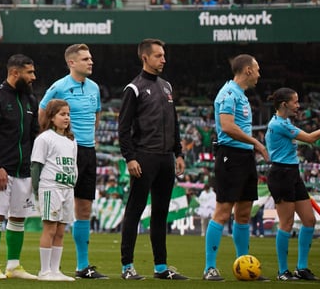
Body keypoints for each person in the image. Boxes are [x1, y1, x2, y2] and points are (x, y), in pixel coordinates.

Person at [117, 38, 187, 281]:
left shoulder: (167, 86)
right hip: (144, 157)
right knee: (134, 211)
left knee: (160, 213)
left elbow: (174, 122)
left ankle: (161, 267)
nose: (163, 59)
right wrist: (130, 158)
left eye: (164, 55)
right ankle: (127, 266)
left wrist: (178, 153)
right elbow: (123, 128)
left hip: (166, 158)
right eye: (158, 55)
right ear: (145, 57)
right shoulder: (133, 89)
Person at [39, 44, 106, 279]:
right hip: (67, 153)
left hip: (88, 151)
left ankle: (82, 265)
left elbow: (97, 113)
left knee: (84, 208)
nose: (91, 62)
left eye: (91, 58)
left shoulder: (94, 87)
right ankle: (49, 268)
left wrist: (89, 135)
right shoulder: (59, 86)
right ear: (72, 63)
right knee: (60, 211)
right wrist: (58, 139)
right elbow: (42, 112)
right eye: (86, 59)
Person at [203, 54, 269, 281]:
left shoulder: (241, 95)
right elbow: (227, 126)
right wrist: (256, 142)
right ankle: (209, 268)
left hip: (245, 157)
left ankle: (245, 264)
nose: (260, 74)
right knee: (222, 212)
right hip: (230, 156)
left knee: (243, 214)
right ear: (248, 70)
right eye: (257, 69)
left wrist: (251, 146)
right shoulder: (228, 93)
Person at [0, 54, 39, 280]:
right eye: (29, 72)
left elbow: (33, 136)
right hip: (1, 170)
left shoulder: (31, 100)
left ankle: (13, 266)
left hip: (23, 170)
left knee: (18, 217)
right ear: (15, 73)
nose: (34, 77)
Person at [265, 87, 320, 281]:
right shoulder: (279, 124)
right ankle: (282, 271)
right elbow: (310, 138)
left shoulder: (285, 122)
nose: (298, 105)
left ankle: (301, 268)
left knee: (309, 221)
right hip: (281, 174)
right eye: (295, 102)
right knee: (286, 223)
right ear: (284, 104)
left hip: (292, 173)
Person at [31, 99, 77, 281]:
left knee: (60, 231)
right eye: (62, 114)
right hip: (51, 187)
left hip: (67, 188)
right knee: (49, 229)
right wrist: (36, 190)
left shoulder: (72, 141)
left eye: (68, 114)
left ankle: (56, 270)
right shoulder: (44, 139)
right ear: (51, 117)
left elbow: (73, 165)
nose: (66, 118)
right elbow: (36, 166)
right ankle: (44, 271)